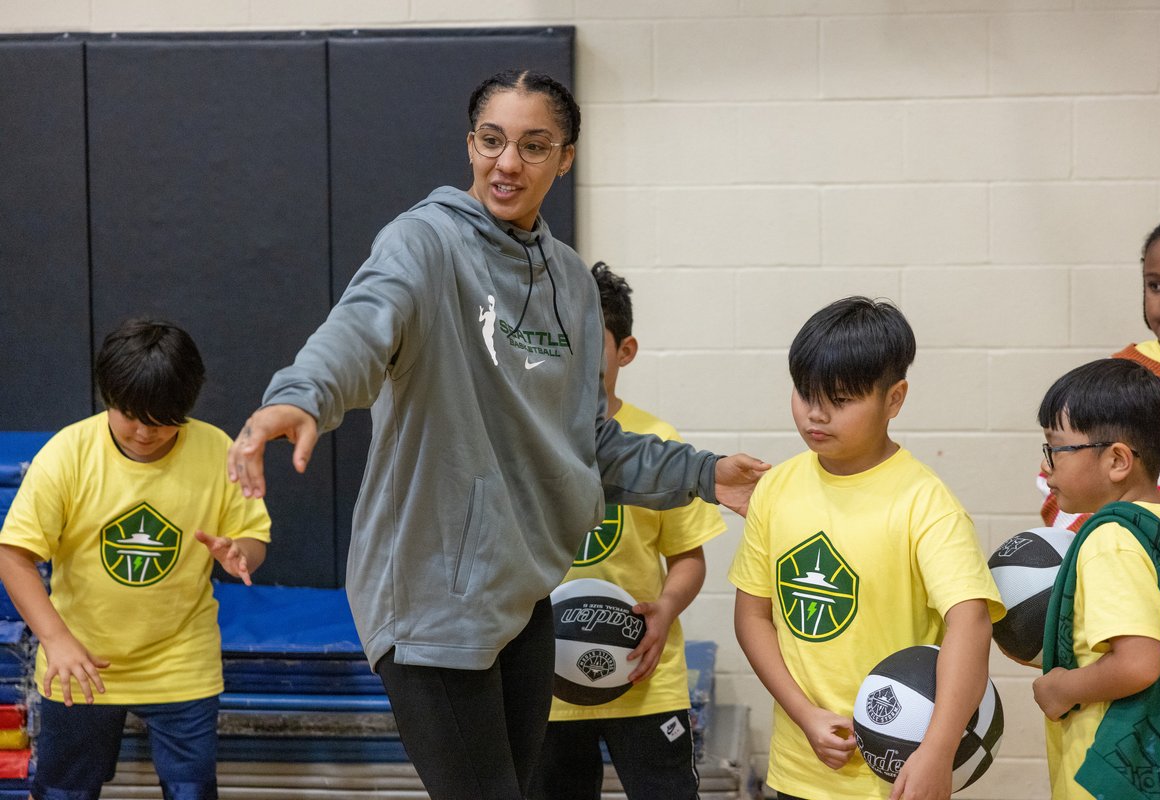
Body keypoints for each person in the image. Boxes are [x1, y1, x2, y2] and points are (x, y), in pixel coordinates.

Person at [224, 69, 768, 800]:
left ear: (565, 158)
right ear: (471, 144)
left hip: (521, 594)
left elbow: (589, 442)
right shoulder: (424, 243)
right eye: (492, 140)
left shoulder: (572, 284)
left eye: (534, 146)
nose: (508, 162)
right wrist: (299, 397)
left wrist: (705, 474)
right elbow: (359, 328)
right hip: (428, 597)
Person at [728, 296, 1003, 800]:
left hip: (897, 776)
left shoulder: (926, 503)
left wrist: (938, 752)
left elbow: (972, 623)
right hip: (799, 768)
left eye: (841, 399)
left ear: (893, 399)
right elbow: (753, 616)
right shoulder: (775, 487)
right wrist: (804, 715)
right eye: (805, 393)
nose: (816, 414)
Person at [0, 318, 271, 800]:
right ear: (107, 395)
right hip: (78, 663)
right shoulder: (68, 453)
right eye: (130, 415)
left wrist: (240, 554)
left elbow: (251, 536)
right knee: (63, 791)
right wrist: (56, 639)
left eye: (162, 420)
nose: (144, 432)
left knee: (192, 790)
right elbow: (13, 555)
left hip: (180, 659)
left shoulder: (217, 451)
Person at [529, 262, 726, 800]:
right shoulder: (527, 437)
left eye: (591, 342)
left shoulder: (657, 440)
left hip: (645, 677)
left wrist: (665, 610)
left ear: (625, 351)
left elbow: (688, 557)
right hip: (548, 681)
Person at [1031, 357, 1160, 799]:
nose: (1045, 466)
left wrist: (1061, 688)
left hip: (1113, 781)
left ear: (1118, 460)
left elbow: (1138, 661)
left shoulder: (1111, 539)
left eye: (1055, 448)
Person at [1041, 206, 1160, 545]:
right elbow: (1060, 480)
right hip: (1134, 572)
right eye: (1155, 285)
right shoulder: (1118, 382)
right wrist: (1093, 543)